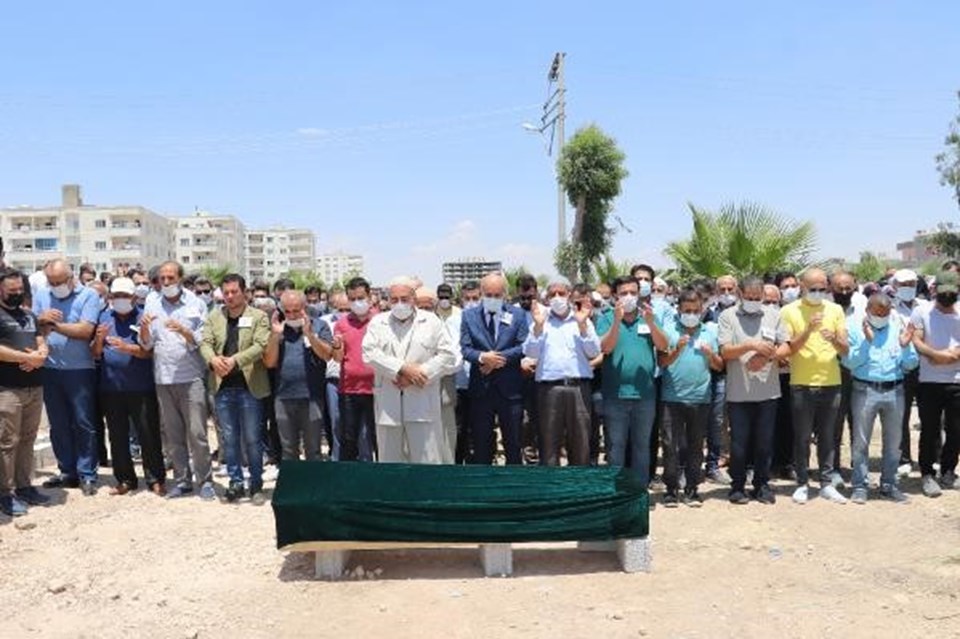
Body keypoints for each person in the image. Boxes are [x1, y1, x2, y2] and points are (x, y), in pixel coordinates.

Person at [139, 261, 215, 500]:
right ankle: (182, 481)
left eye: (171, 278)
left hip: (191, 377)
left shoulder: (197, 303)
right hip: (163, 378)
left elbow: (203, 341)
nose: (166, 282)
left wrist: (184, 331)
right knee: (173, 435)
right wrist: (143, 330)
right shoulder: (152, 303)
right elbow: (147, 343)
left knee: (197, 433)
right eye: (162, 278)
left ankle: (205, 481)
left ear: (180, 279)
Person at [361, 276, 458, 464]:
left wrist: (418, 374)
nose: (399, 304)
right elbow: (369, 353)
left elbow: (447, 356)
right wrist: (402, 369)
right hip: (389, 406)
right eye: (394, 300)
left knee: (427, 462)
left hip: (422, 403)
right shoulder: (377, 322)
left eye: (404, 299)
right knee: (390, 465)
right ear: (388, 300)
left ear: (413, 299)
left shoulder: (431, 322)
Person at [780, 268, 849, 505]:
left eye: (822, 289)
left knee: (828, 437)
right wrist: (808, 330)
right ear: (802, 286)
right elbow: (789, 349)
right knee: (801, 437)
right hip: (801, 383)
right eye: (813, 289)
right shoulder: (789, 311)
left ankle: (826, 483)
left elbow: (845, 349)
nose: (818, 293)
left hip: (831, 382)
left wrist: (835, 340)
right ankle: (801, 482)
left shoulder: (835, 309)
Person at [200, 273, 270, 504]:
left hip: (249, 387)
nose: (230, 297)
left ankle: (256, 484)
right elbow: (205, 343)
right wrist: (213, 360)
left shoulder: (258, 316)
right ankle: (235, 482)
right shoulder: (214, 317)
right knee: (229, 439)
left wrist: (235, 360)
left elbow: (261, 345)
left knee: (252, 438)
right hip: (223, 388)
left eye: (234, 292)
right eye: (226, 293)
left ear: (244, 292)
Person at [92, 277, 165, 496]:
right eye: (117, 296)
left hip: (141, 387)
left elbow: (150, 352)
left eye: (125, 296)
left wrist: (127, 348)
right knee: (117, 436)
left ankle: (155, 478)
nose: (121, 300)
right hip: (111, 387)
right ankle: (125, 479)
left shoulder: (144, 317)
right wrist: (98, 340)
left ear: (134, 297)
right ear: (110, 298)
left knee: (148, 435)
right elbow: (95, 353)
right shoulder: (103, 317)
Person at [33, 259, 101, 495]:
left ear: (71, 277)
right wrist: (41, 320)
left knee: (83, 422)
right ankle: (67, 471)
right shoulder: (42, 294)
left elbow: (84, 331)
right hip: (50, 369)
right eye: (52, 282)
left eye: (60, 282)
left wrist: (55, 325)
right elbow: (34, 327)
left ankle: (87, 473)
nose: (56, 286)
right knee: (58, 423)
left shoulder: (88, 295)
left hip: (80, 369)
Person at [718, 276, 787, 505]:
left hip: (768, 391)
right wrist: (751, 346)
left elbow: (786, 345)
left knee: (764, 442)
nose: (754, 301)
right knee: (739, 443)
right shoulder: (728, 316)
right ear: (740, 294)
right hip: (739, 392)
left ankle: (762, 485)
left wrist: (765, 357)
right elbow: (726, 351)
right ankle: (737, 486)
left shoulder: (774, 315)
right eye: (749, 298)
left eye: (758, 298)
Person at [843, 293, 917, 504]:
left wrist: (904, 346)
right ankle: (859, 486)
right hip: (865, 390)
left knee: (894, 442)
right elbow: (850, 363)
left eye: (885, 314)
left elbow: (911, 364)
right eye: (877, 313)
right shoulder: (855, 329)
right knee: (861, 441)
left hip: (895, 390)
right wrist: (867, 342)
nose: (881, 317)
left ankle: (889, 485)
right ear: (868, 309)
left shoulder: (898, 330)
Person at [596, 275, 667, 488]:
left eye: (633, 293)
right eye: (624, 293)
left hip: (645, 396)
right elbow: (605, 347)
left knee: (641, 447)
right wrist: (617, 321)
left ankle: (638, 491)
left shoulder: (648, 317)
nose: (628, 297)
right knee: (615, 447)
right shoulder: (607, 317)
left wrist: (652, 324)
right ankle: (615, 491)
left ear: (639, 294)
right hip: (615, 395)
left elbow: (663, 345)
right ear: (616, 296)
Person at [522, 277, 601, 467]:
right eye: (552, 294)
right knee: (549, 445)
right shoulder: (540, 320)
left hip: (578, 389)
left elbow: (594, 352)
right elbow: (530, 352)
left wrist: (583, 325)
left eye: (561, 293)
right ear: (547, 299)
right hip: (549, 390)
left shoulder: (581, 319)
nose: (557, 297)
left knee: (580, 443)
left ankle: (578, 490)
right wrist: (539, 327)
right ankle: (552, 491)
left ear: (569, 295)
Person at [658, 289, 724, 507]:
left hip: (700, 398)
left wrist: (710, 355)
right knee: (670, 445)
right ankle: (670, 489)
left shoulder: (709, 333)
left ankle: (692, 489)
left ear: (702, 310)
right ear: (679, 310)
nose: (691, 314)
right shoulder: (669, 330)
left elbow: (719, 366)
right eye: (687, 310)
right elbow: (663, 362)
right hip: (672, 398)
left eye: (696, 310)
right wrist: (677, 349)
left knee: (696, 446)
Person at [460, 273, 529, 465]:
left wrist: (496, 360)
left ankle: (514, 487)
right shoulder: (468, 316)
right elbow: (465, 349)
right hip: (481, 390)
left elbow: (523, 346)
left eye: (497, 295)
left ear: (505, 294)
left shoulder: (518, 315)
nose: (493, 298)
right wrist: (483, 358)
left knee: (513, 443)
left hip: (510, 391)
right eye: (488, 294)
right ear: (481, 293)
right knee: (481, 445)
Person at [0, 268, 50, 517]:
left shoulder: (29, 315)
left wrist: (40, 357)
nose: (17, 294)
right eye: (12, 291)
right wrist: (25, 357)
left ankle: (24, 486)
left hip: (34, 386)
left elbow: (41, 342)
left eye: (20, 290)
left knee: (28, 439)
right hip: (7, 390)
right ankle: (5, 493)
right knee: (7, 443)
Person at [264, 289, 334, 462]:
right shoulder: (276, 329)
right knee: (288, 451)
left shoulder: (319, 325)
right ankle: (293, 487)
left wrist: (310, 334)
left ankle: (313, 488)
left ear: (305, 307)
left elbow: (327, 355)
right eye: (287, 311)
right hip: (283, 397)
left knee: (313, 450)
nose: (292, 315)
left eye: (296, 310)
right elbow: (269, 362)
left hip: (312, 397)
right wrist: (275, 335)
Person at [910, 269, 960, 498]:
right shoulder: (922, 312)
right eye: (943, 292)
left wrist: (953, 356)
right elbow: (917, 341)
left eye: (952, 293)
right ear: (934, 290)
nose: (948, 297)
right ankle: (927, 473)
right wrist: (937, 355)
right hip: (929, 381)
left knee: (956, 430)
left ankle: (949, 470)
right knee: (930, 430)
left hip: (957, 381)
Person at [333, 277, 379, 461]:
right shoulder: (342, 324)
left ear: (369, 296)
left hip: (376, 388)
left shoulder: (380, 321)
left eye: (361, 298)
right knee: (349, 437)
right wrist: (337, 347)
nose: (357, 303)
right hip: (349, 389)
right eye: (352, 299)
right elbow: (337, 358)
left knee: (378, 436)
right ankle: (348, 479)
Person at [890, 269, 925, 472]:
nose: (908, 288)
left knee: (930, 415)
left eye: (911, 284)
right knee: (900, 415)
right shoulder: (890, 309)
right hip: (901, 368)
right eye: (904, 284)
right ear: (895, 286)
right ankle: (904, 459)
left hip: (926, 366)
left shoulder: (926, 307)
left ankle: (931, 456)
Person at [830, 271, 862, 476]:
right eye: (839, 288)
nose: (843, 292)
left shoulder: (862, 311)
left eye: (847, 288)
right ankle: (833, 468)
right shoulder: (825, 311)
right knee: (834, 423)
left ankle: (858, 466)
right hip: (832, 372)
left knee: (859, 422)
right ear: (831, 289)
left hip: (859, 372)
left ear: (854, 287)